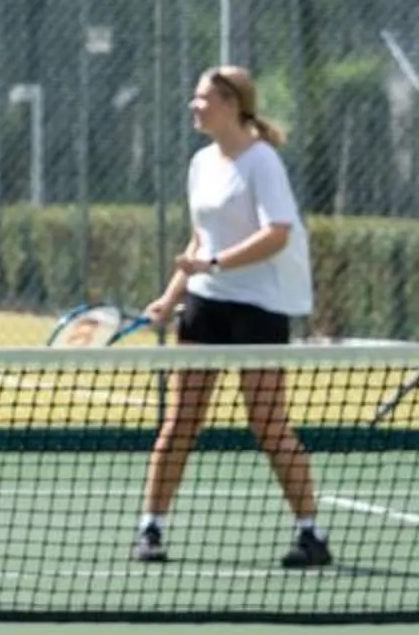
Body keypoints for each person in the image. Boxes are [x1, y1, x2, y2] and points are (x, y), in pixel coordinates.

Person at [135, 66, 327, 569]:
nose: (195, 107)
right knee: (180, 422)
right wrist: (169, 295)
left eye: (204, 99)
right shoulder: (201, 162)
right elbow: (200, 241)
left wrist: (216, 264)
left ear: (232, 104)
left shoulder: (262, 162)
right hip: (204, 305)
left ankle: (311, 534)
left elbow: (278, 232)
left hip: (260, 308)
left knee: (266, 423)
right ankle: (150, 529)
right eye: (195, 98)